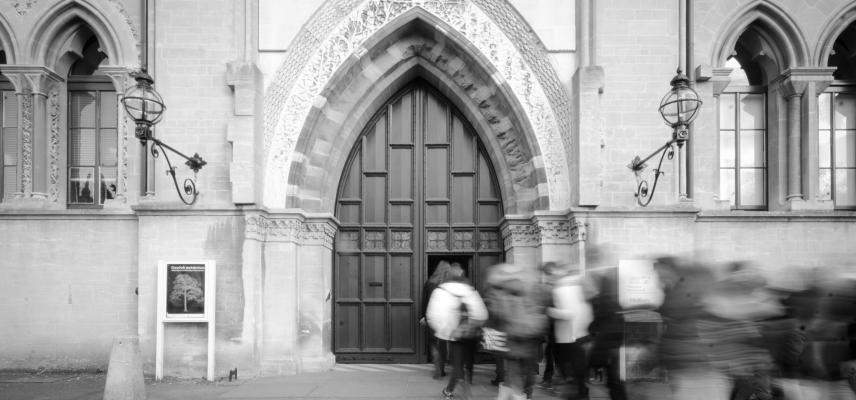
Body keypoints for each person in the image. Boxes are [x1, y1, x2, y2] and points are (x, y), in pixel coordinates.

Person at [486, 263, 550, 400]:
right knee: (523, 370)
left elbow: (501, 314)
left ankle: (517, 396)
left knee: (514, 372)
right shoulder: (527, 290)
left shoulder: (506, 295)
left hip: (513, 338)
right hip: (528, 337)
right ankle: (518, 394)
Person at [427, 263, 487, 399]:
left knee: (457, 363)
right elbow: (482, 314)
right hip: (470, 333)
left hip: (455, 334)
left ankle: (451, 390)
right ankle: (467, 383)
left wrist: (445, 331)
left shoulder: (440, 291)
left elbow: (433, 315)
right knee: (468, 361)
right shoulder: (470, 290)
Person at [547, 264, 594, 400]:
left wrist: (551, 312)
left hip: (569, 336)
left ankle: (578, 392)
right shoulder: (579, 285)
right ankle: (581, 392)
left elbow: (569, 313)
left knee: (570, 368)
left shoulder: (561, 288)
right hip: (582, 333)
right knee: (578, 368)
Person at [423, 260, 452, 379]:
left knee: (434, 344)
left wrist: (424, 317)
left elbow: (424, 301)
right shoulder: (448, 284)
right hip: (445, 318)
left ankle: (437, 368)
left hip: (432, 317)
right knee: (443, 344)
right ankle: (442, 369)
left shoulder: (429, 283)